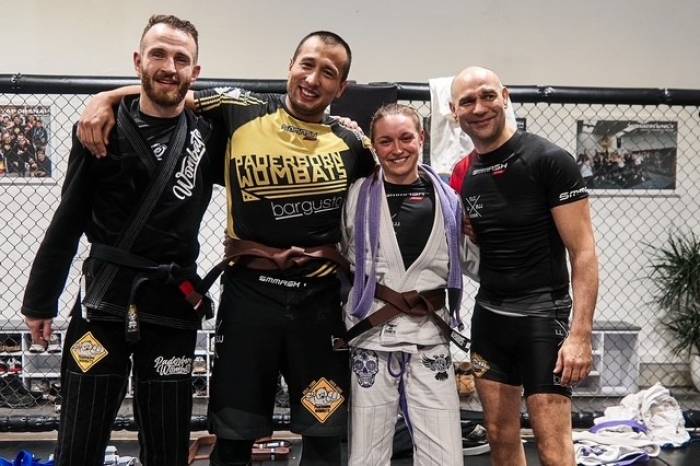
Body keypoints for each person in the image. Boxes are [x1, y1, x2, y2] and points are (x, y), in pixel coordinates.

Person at [78, 31, 375, 466]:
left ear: (341, 87)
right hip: (249, 300)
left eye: (328, 73)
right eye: (307, 65)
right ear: (290, 66)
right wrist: (103, 98)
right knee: (234, 439)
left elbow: (392, 192)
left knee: (325, 440)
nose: (313, 79)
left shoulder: (353, 143)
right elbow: (169, 93)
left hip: (319, 306)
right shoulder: (241, 106)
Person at [21, 15, 225, 466]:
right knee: (78, 439)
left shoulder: (210, 134)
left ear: (195, 72)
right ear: (138, 61)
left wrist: (107, 93)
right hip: (103, 299)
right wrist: (40, 301)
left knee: (168, 445)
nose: (169, 67)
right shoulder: (101, 129)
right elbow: (68, 217)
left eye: (181, 59)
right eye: (158, 55)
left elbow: (273, 118)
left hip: (172, 302)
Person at [448, 67, 599, 466]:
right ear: (454, 111)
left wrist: (580, 334)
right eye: (467, 101)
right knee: (499, 438)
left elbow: (583, 252)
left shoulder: (549, 160)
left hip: (542, 319)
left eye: (487, 96)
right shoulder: (464, 173)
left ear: (505, 97)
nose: (479, 108)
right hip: (489, 319)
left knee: (553, 448)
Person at [342, 103, 478, 465]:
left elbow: (473, 264)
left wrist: (483, 236)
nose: (397, 149)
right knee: (366, 454)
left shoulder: (450, 200)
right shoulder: (355, 196)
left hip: (429, 335)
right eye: (385, 141)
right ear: (374, 146)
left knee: (445, 455)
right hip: (372, 335)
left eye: (405, 138)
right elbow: (339, 254)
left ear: (422, 138)